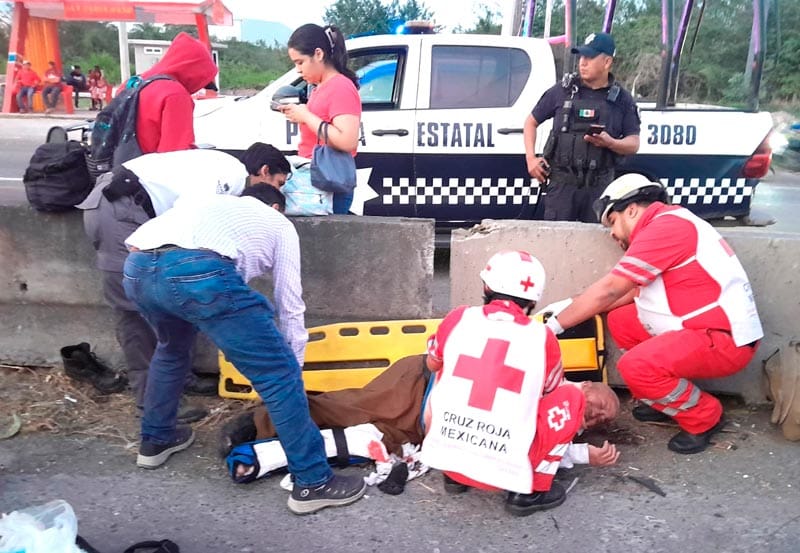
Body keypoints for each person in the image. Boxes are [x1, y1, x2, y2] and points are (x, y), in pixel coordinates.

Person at [123, 184, 367, 515]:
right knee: (277, 374)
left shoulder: (211, 202)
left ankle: (155, 440)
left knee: (171, 348)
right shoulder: (279, 224)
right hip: (197, 268)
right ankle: (313, 481)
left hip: (137, 266)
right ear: (277, 207)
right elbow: (290, 304)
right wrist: (291, 371)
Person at [541, 173, 763, 454]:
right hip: (708, 329)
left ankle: (705, 416)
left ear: (631, 210)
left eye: (612, 221)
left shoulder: (665, 228)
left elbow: (610, 290)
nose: (611, 233)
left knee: (635, 367)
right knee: (622, 320)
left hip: (723, 340)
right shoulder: (670, 224)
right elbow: (626, 295)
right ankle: (660, 397)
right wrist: (564, 307)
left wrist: (553, 328)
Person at [78, 144, 292, 421]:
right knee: (135, 311)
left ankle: (179, 378)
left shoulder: (224, 170)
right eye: (278, 183)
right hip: (121, 206)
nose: (277, 193)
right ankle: (153, 403)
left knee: (177, 300)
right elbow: (193, 216)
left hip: (130, 206)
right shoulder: (230, 177)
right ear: (264, 172)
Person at [420, 250, 620, 516]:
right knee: (571, 399)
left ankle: (454, 477)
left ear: (486, 286)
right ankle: (531, 492)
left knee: (444, 367)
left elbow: (432, 363)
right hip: (500, 473)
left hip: (443, 456)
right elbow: (550, 391)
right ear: (534, 299)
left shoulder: (458, 318)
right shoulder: (542, 337)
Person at [523, 32, 640, 222]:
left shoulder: (622, 100)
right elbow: (531, 122)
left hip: (599, 189)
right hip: (562, 187)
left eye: (590, 57)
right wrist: (531, 159)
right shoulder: (562, 91)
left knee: (594, 245)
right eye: (581, 56)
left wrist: (610, 143)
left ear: (607, 62)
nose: (582, 62)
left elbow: (633, 143)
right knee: (557, 243)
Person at [278, 23, 361, 214]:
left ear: (318, 54)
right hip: (316, 179)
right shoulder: (320, 87)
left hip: (327, 183)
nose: (298, 70)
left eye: (300, 62)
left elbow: (347, 140)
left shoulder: (340, 86)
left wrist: (306, 115)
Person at [134, 32, 219, 154]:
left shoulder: (133, 84)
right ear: (193, 73)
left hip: (116, 167)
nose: (198, 87)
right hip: (146, 170)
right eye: (202, 81)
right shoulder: (176, 95)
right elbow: (176, 155)